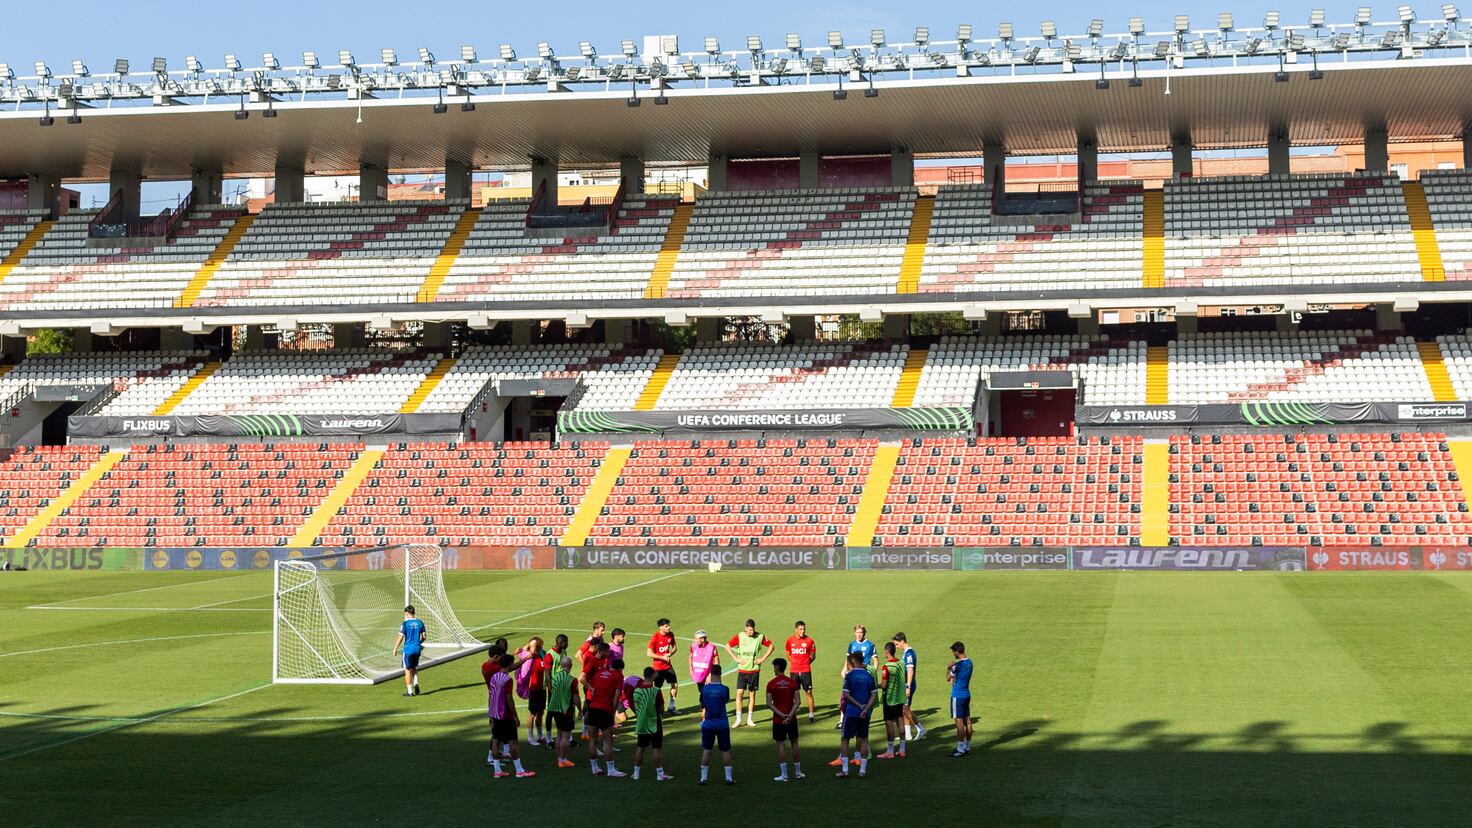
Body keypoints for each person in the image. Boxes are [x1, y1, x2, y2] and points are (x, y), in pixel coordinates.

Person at [487, 654, 536, 778]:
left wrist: (491, 713)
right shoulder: (507, 679)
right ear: (509, 664)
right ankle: (519, 770)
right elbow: (509, 699)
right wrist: (515, 716)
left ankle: (497, 770)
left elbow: (491, 696)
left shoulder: (494, 677)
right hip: (506, 715)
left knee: (496, 740)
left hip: (495, 714)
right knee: (513, 741)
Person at [724, 619, 773, 728]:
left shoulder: (760, 636)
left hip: (754, 670)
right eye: (750, 630)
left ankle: (750, 719)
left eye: (753, 629)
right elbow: (727, 646)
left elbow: (771, 646)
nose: (752, 632)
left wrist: (763, 658)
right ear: (745, 629)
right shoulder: (739, 636)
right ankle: (738, 719)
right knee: (739, 693)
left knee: (752, 694)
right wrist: (735, 658)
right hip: (742, 670)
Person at [836, 652, 876, 779]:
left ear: (852, 663)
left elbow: (846, 695)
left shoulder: (850, 676)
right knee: (864, 739)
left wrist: (859, 706)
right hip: (865, 713)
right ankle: (862, 771)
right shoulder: (869, 675)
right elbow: (874, 695)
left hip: (852, 712)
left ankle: (845, 770)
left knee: (845, 739)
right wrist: (866, 708)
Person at [630, 667, 672, 782]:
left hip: (642, 724)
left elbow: (635, 707)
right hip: (655, 725)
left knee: (640, 748)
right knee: (656, 749)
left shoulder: (636, 691)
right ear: (653, 676)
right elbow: (661, 708)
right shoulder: (656, 690)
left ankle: (636, 774)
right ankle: (659, 774)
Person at [587, 657, 626, 777]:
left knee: (593, 741)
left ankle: (594, 768)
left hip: (593, 708)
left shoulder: (599, 674)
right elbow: (617, 695)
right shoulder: (618, 676)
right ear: (620, 669)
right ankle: (611, 770)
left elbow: (592, 691)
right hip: (605, 710)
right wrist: (612, 711)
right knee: (608, 741)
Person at [766, 657, 804, 782]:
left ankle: (784, 775)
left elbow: (769, 703)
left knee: (781, 745)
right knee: (794, 744)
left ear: (777, 667)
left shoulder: (771, 684)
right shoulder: (792, 683)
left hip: (778, 720)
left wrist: (782, 715)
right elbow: (798, 701)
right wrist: (790, 715)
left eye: (774, 666)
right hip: (792, 719)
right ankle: (798, 773)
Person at [698, 663, 735, 785]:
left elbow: (702, 704)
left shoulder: (704, 689)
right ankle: (728, 778)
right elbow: (725, 701)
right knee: (725, 750)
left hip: (708, 724)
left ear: (710, 674)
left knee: (707, 750)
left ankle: (703, 779)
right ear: (720, 674)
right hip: (722, 724)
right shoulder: (725, 689)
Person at [545, 654, 581, 769]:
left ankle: (559, 758)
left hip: (555, 709)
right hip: (566, 710)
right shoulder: (572, 680)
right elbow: (576, 698)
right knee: (566, 736)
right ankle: (563, 760)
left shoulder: (555, 677)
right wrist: (580, 710)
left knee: (559, 734)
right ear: (570, 665)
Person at [877, 643, 909, 759]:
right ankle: (902, 750)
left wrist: (876, 685)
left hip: (890, 698)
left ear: (886, 652)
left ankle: (890, 751)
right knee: (900, 722)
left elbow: (884, 685)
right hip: (900, 697)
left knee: (889, 724)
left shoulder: (886, 666)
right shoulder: (901, 663)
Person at [892, 632, 925, 741]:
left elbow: (910, 671)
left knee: (905, 709)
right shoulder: (906, 653)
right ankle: (907, 734)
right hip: (906, 685)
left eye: (897, 644)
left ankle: (920, 729)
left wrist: (908, 687)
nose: (896, 647)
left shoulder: (909, 654)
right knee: (904, 709)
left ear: (902, 642)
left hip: (908, 685)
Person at [785, 621, 817, 723]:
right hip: (794, 670)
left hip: (805, 671)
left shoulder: (809, 641)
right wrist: (795, 662)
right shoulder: (790, 640)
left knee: (808, 692)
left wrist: (806, 663)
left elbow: (813, 655)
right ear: (796, 629)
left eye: (804, 629)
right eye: (800, 629)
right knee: (794, 693)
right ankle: (793, 714)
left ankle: (811, 714)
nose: (802, 631)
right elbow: (788, 654)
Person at [518, 637, 547, 746]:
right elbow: (525, 649)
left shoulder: (542, 654)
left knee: (541, 712)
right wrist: (531, 644)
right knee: (532, 714)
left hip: (542, 688)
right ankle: (530, 737)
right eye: (540, 646)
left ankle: (540, 735)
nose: (541, 648)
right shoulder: (530, 656)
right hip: (534, 688)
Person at [392, 605, 426, 697]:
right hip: (417, 649)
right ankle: (416, 682)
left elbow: (400, 637)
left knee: (407, 670)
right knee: (414, 666)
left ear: (406, 613)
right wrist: (419, 643)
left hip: (408, 649)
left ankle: (410, 691)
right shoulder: (420, 623)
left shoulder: (405, 624)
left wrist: (395, 648)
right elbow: (424, 637)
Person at [647, 618, 680, 714]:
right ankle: (656, 707)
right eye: (666, 626)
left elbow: (674, 647)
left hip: (668, 666)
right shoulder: (655, 637)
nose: (669, 627)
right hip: (658, 668)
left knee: (674, 684)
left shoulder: (671, 635)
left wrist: (669, 654)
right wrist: (662, 657)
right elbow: (649, 653)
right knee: (657, 688)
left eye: (669, 625)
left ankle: (671, 706)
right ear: (661, 627)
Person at [542, 634, 571, 740]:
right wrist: (551, 689)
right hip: (554, 688)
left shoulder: (564, 652)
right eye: (566, 642)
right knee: (551, 712)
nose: (567, 644)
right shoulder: (549, 655)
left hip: (563, 686)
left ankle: (568, 736)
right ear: (561, 642)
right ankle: (549, 738)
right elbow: (548, 675)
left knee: (565, 710)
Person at [948, 641, 974, 757]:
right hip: (966, 694)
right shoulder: (970, 663)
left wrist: (948, 667)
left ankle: (960, 749)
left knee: (959, 723)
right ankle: (967, 747)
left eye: (953, 651)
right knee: (967, 721)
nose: (953, 653)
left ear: (957, 652)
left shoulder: (957, 666)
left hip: (957, 696)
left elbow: (948, 678)